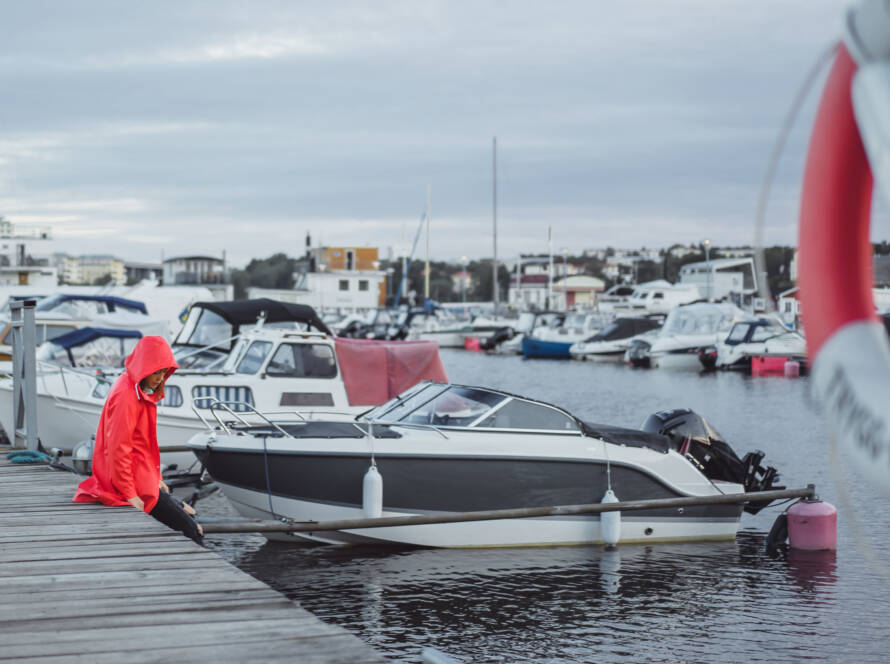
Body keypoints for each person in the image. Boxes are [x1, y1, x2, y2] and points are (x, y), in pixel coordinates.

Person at [73, 336, 203, 544]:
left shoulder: (138, 389)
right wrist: (129, 494)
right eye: (157, 371)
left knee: (191, 515)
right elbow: (118, 450)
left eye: (164, 372)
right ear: (145, 366)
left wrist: (157, 477)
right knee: (192, 530)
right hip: (133, 483)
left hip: (143, 477)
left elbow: (143, 445)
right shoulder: (127, 396)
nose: (161, 378)